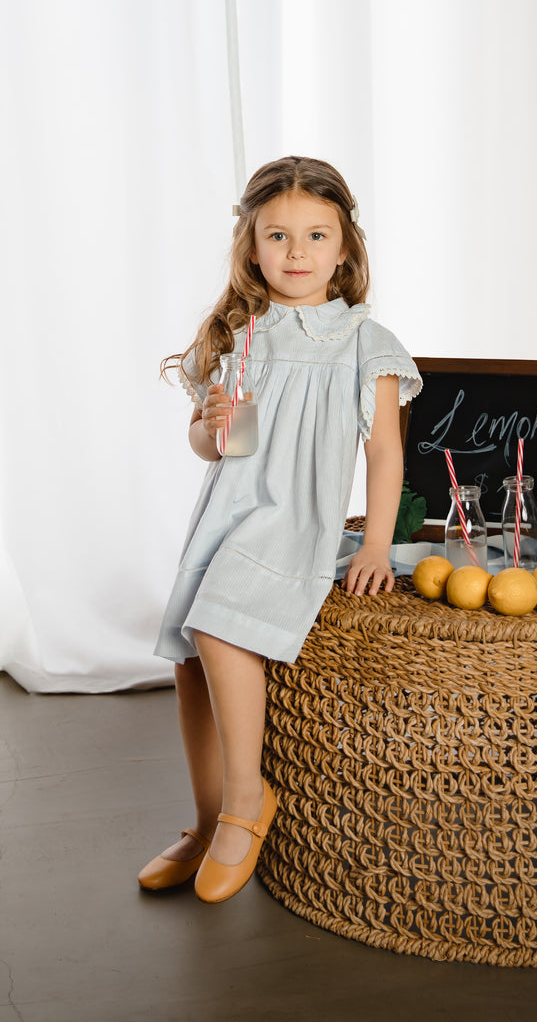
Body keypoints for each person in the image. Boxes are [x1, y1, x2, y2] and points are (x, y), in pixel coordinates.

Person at [138, 155, 422, 904]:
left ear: (345, 248)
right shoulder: (243, 335)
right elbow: (215, 446)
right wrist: (209, 427)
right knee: (192, 658)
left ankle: (244, 803)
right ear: (252, 246)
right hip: (227, 514)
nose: (296, 253)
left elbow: (386, 451)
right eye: (278, 236)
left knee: (222, 631)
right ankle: (204, 824)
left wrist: (374, 544)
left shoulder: (366, 342)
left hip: (291, 523)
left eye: (316, 235)